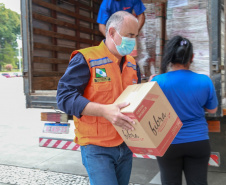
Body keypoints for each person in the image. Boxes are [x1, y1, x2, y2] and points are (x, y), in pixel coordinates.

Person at [57, 11, 141, 185]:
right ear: (111, 32)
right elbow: (64, 98)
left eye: (135, 36)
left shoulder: (132, 64)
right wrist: (104, 110)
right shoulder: (86, 58)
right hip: (96, 147)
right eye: (129, 35)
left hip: (125, 144)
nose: (133, 41)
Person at [150, 36, 218, 185]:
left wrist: (150, 84)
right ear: (192, 57)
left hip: (167, 143)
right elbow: (212, 110)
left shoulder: (157, 82)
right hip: (198, 142)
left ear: (170, 57)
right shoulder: (204, 80)